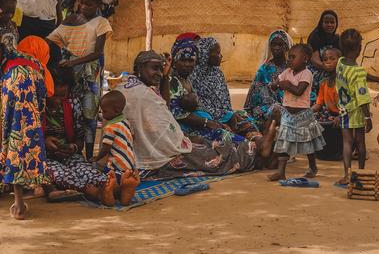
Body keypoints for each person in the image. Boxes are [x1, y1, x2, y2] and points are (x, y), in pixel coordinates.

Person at [116, 51, 272, 179]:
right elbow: (169, 116)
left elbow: (164, 109)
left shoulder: (135, 85)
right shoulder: (142, 94)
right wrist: (189, 132)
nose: (158, 73)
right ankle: (255, 153)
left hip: (161, 142)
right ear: (140, 68)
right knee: (210, 156)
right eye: (154, 68)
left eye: (160, 68)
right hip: (154, 155)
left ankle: (257, 149)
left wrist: (164, 76)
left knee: (207, 142)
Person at [46, 0, 112, 157]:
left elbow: (97, 53)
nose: (83, 7)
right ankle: (73, 151)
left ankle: (89, 156)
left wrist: (73, 62)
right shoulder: (70, 20)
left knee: (90, 116)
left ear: (98, 5)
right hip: (72, 78)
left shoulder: (101, 23)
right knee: (73, 113)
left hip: (90, 78)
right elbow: (51, 40)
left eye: (89, 4)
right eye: (81, 2)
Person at [0, 36, 52, 220]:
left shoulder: (10, 56)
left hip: (7, 95)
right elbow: (44, 98)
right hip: (30, 111)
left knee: (9, 141)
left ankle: (4, 186)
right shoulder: (39, 67)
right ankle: (19, 204)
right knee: (24, 146)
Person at [42, 66, 107, 201]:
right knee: (61, 174)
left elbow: (79, 138)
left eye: (63, 95)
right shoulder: (37, 107)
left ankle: (109, 187)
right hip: (44, 158)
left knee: (88, 171)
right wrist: (45, 142)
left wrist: (73, 148)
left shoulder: (73, 104)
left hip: (69, 155)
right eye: (54, 95)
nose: (58, 100)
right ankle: (92, 192)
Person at [269, 43, 325, 181]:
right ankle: (281, 172)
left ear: (305, 58)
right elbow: (275, 84)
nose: (289, 60)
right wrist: (275, 84)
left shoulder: (307, 74)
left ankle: (312, 166)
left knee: (308, 144)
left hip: (303, 115)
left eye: (293, 57)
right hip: (287, 114)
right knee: (284, 142)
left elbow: (299, 91)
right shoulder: (286, 72)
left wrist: (286, 85)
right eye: (289, 57)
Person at [190, 37, 261, 140]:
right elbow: (199, 107)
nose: (221, 56)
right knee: (228, 133)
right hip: (209, 118)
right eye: (218, 53)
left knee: (248, 121)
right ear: (206, 54)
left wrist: (230, 115)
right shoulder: (194, 77)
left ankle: (259, 143)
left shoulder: (218, 73)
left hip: (227, 115)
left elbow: (226, 102)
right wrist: (226, 116)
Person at [336, 28, 372, 186]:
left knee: (347, 143)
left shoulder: (340, 63)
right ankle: (361, 172)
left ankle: (347, 174)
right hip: (357, 112)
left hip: (343, 110)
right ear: (359, 49)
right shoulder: (358, 72)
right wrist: (368, 116)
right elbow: (362, 98)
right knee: (360, 143)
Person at [94, 91, 140, 206]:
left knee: (103, 181)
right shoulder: (126, 122)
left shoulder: (110, 127)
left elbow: (106, 148)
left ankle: (109, 194)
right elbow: (133, 137)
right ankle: (125, 191)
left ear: (116, 110)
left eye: (105, 111)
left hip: (115, 167)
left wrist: (96, 158)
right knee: (121, 182)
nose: (102, 114)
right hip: (130, 165)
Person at [245, 30, 293, 131]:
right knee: (277, 111)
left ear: (286, 46)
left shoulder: (292, 68)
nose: (276, 48)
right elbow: (256, 98)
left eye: (280, 44)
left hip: (290, 105)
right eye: (273, 44)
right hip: (267, 107)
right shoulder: (264, 69)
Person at [311, 47, 343, 160]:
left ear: (340, 61)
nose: (328, 62)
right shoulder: (323, 83)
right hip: (331, 115)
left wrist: (340, 116)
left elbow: (349, 105)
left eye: (332, 59)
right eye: (325, 59)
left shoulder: (343, 82)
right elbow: (319, 104)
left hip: (344, 115)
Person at [307, 10, 340, 103]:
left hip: (331, 68)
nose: (329, 25)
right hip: (317, 68)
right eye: (326, 22)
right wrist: (324, 66)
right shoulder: (315, 36)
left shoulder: (337, 39)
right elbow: (314, 57)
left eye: (332, 22)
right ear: (321, 23)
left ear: (336, 23)